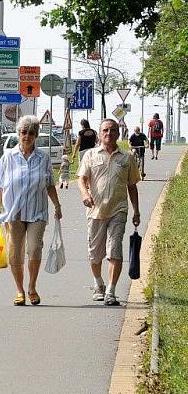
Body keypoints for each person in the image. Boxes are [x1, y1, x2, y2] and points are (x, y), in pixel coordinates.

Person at [0, 115, 63, 306]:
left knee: (34, 250)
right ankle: (19, 290)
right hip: (13, 213)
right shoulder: (8, 157)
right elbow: (0, 185)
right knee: (14, 254)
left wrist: (57, 205)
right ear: (18, 134)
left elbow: (49, 184)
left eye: (31, 133)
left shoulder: (43, 158)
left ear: (36, 135)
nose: (27, 136)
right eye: (24, 132)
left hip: (37, 212)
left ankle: (32, 286)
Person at [78, 118, 141, 306]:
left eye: (113, 130)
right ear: (100, 133)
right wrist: (85, 194)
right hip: (95, 211)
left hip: (118, 210)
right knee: (95, 253)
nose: (109, 133)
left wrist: (136, 211)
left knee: (114, 250)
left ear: (118, 133)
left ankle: (111, 291)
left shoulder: (127, 157)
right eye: (105, 130)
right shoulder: (90, 155)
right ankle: (99, 284)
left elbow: (132, 186)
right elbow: (82, 179)